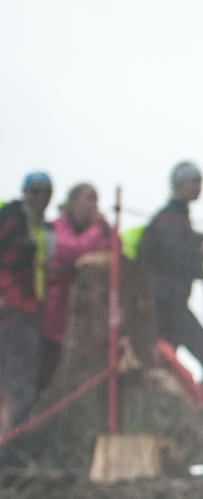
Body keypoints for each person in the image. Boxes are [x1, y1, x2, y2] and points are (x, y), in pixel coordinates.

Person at [137, 161, 203, 416]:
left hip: (166, 306)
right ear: (180, 184)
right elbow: (176, 255)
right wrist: (198, 251)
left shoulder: (173, 217)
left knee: (171, 366)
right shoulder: (171, 218)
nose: (199, 188)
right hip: (167, 307)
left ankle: (190, 418)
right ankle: (201, 418)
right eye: (195, 182)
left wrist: (195, 240)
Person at [41, 183, 114, 389]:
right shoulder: (56, 228)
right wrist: (98, 228)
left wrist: (107, 232)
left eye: (96, 200)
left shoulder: (94, 232)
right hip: (51, 318)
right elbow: (73, 251)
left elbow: (112, 257)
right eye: (88, 198)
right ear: (72, 202)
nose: (93, 205)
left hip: (81, 325)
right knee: (42, 377)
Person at [0, 172, 53, 446]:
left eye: (46, 192)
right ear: (24, 192)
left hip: (30, 313)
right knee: (14, 386)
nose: (41, 198)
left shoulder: (43, 228)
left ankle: (10, 450)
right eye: (35, 191)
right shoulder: (10, 218)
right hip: (12, 310)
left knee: (20, 385)